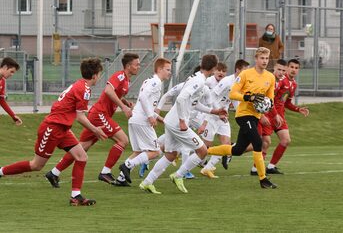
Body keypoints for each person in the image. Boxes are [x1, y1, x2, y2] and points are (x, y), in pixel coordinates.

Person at [0, 58, 106, 206]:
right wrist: (95, 130)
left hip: (62, 128)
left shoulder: (79, 85)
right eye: (99, 74)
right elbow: (80, 117)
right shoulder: (84, 89)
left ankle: (76, 196)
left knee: (81, 156)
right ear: (95, 75)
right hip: (52, 128)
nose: (99, 77)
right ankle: (1, 171)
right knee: (36, 165)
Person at [45, 53, 140, 187]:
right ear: (129, 66)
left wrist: (125, 102)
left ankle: (54, 173)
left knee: (80, 148)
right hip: (100, 114)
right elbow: (108, 90)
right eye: (137, 64)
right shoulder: (120, 76)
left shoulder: (127, 80)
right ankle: (105, 172)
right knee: (123, 140)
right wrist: (123, 107)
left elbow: (115, 94)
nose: (139, 67)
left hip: (99, 115)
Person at [139, 54, 227, 194]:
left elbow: (193, 103)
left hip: (170, 120)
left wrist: (214, 111)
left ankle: (147, 182)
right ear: (214, 68)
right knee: (202, 150)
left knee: (171, 154)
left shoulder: (196, 78)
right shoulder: (198, 81)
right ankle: (178, 175)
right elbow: (180, 99)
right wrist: (182, 121)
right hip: (177, 123)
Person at [207, 47, 277, 189]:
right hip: (243, 115)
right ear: (256, 59)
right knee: (258, 142)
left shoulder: (270, 77)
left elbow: (270, 98)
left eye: (266, 58)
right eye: (262, 58)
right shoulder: (245, 74)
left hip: (255, 116)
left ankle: (204, 150)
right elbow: (233, 94)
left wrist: (267, 106)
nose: (264, 61)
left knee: (238, 150)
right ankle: (263, 179)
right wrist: (248, 97)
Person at [116, 58, 172, 186]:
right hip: (142, 120)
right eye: (167, 69)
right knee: (156, 151)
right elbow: (143, 97)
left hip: (135, 119)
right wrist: (150, 117)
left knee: (139, 152)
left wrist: (159, 118)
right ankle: (127, 165)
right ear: (159, 69)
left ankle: (121, 179)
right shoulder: (155, 82)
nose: (170, 72)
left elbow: (147, 103)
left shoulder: (150, 81)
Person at [200, 59, 249, 179]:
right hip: (212, 115)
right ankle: (183, 165)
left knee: (226, 144)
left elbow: (234, 100)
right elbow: (212, 96)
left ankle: (207, 168)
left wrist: (242, 115)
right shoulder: (227, 81)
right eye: (245, 71)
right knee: (204, 148)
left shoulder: (239, 83)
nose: (247, 73)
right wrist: (218, 111)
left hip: (222, 117)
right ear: (238, 70)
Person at [265, 59, 309, 174]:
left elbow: (286, 103)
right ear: (287, 68)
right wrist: (274, 115)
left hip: (280, 117)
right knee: (263, 143)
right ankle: (233, 150)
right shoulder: (280, 81)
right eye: (292, 67)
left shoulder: (293, 84)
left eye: (296, 68)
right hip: (269, 115)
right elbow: (270, 99)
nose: (294, 70)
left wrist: (298, 109)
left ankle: (270, 166)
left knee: (286, 140)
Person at [250, 59, 287, 175]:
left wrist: (275, 115)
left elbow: (270, 101)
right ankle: (231, 149)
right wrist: (261, 115)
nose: (281, 72)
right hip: (257, 114)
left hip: (266, 114)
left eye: (283, 70)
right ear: (274, 68)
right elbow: (258, 98)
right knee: (257, 142)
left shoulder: (278, 82)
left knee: (266, 142)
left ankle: (256, 169)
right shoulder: (268, 80)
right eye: (279, 69)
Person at [0, 57, 23, 126]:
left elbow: (1, 100)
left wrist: (13, 116)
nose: (12, 74)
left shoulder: (2, 81)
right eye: (11, 71)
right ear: (5, 67)